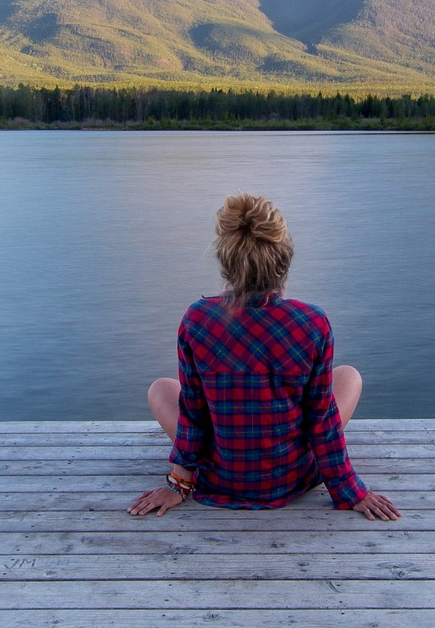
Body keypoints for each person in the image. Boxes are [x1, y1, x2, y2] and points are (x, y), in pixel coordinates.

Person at [128, 194, 400, 522]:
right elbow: (322, 419)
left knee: (161, 389)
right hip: (291, 478)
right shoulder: (312, 322)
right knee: (349, 376)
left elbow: (193, 414)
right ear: (283, 260)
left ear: (226, 263)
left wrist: (178, 484)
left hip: (220, 477)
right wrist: (349, 490)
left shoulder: (197, 320)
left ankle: (203, 470)